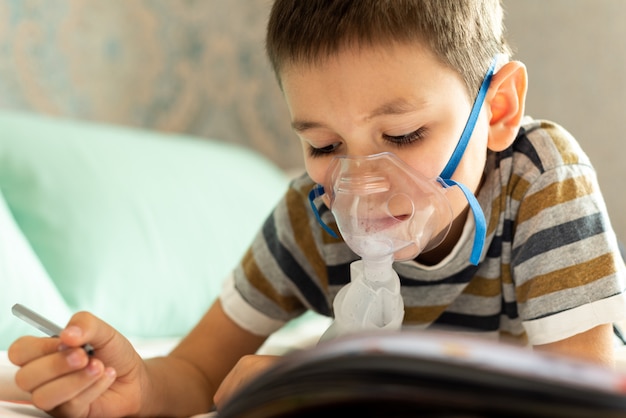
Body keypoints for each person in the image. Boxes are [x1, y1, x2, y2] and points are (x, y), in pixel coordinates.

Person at [8, 1, 626, 416]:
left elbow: (585, 395)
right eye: (325, 146)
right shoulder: (311, 217)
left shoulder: (539, 178)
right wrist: (134, 388)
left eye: (404, 135)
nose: (363, 186)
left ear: (495, 112)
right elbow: (198, 370)